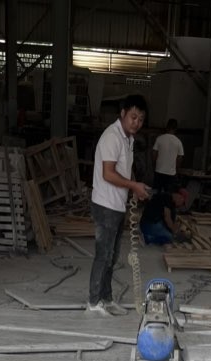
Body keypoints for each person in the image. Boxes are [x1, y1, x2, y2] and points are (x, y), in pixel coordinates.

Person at [88, 94, 151, 317]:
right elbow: (108, 173)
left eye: (140, 119)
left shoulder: (128, 139)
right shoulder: (112, 137)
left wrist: (134, 187)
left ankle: (106, 298)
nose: (136, 122)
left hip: (117, 205)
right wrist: (133, 185)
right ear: (123, 114)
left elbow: (124, 169)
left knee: (112, 256)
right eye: (133, 117)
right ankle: (93, 302)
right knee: (103, 255)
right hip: (105, 205)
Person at [152, 119, 184, 191]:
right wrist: (177, 170)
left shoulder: (159, 138)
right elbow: (180, 158)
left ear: (166, 127)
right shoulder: (178, 142)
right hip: (171, 173)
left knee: (156, 193)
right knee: (168, 195)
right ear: (176, 129)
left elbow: (154, 154)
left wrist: (154, 166)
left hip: (159, 171)